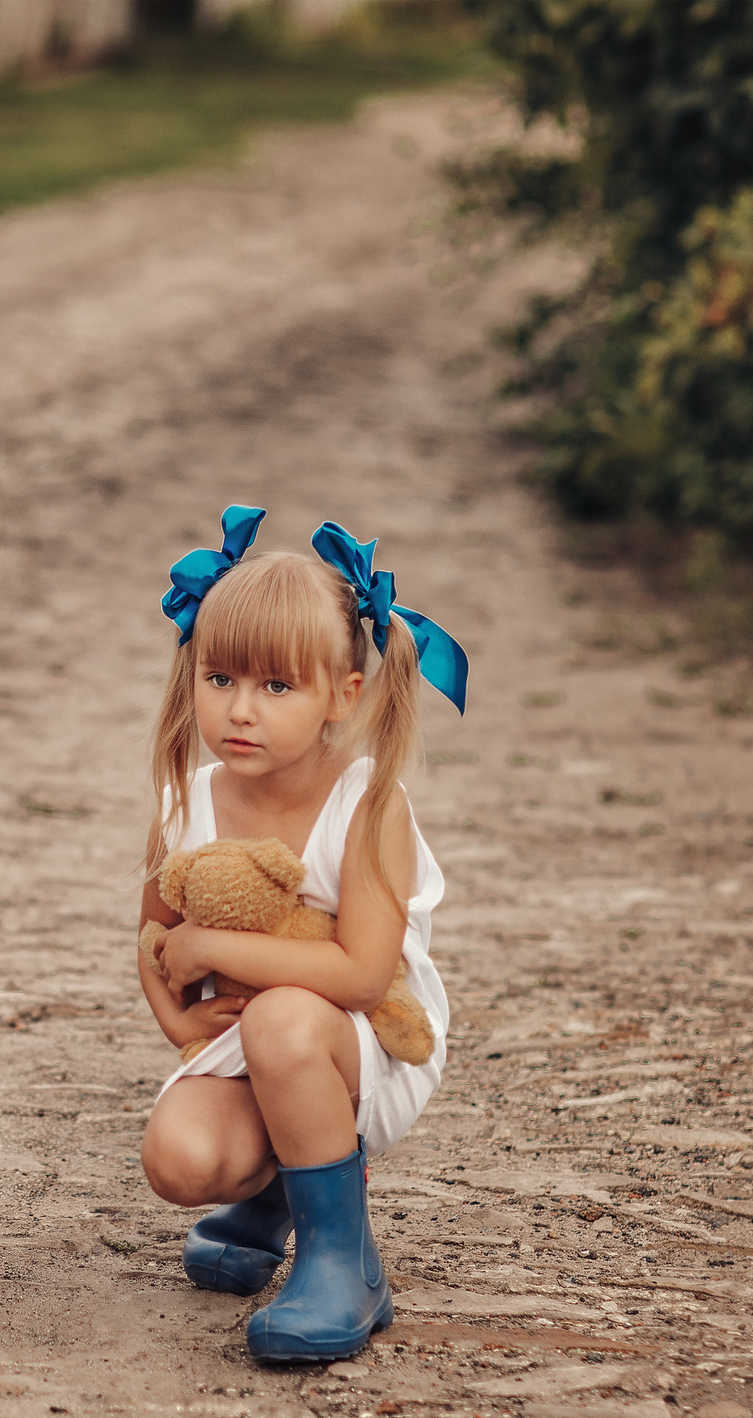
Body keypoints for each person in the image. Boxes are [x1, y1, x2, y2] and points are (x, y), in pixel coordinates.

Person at [135, 506, 468, 1361]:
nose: (241, 711)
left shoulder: (368, 804)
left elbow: (359, 974)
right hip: (254, 1040)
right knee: (179, 1157)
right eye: (221, 680)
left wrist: (212, 951)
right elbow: (154, 938)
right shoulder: (190, 799)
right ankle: (278, 1190)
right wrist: (177, 1022)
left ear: (341, 695)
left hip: (369, 1041)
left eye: (275, 687)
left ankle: (341, 1262)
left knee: (285, 1017)